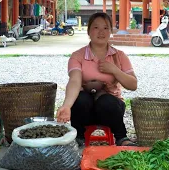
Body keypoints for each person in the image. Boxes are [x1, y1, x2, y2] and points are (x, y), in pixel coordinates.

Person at [56, 12, 138, 147]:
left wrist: (114, 70)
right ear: (88, 31)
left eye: (106, 28)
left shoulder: (119, 56)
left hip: (110, 111)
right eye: (96, 28)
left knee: (107, 101)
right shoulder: (78, 56)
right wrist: (66, 106)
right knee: (81, 99)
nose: (101, 32)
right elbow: (75, 81)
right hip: (84, 111)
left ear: (111, 31)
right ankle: (78, 137)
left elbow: (133, 85)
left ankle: (121, 137)